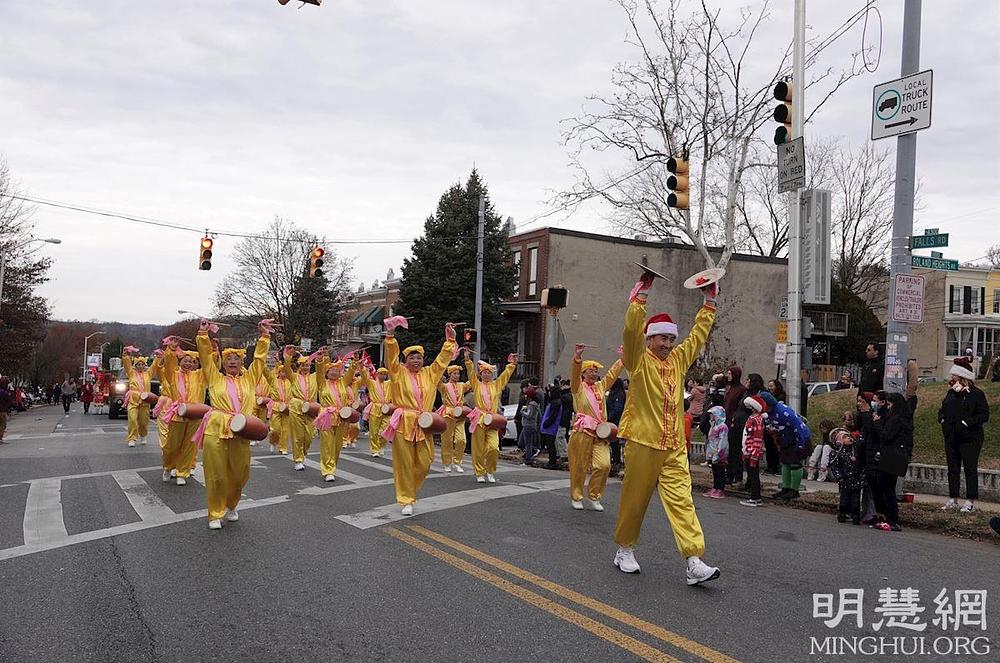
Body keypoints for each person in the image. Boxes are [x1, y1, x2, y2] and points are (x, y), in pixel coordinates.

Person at [612, 270, 721, 586]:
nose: (668, 343)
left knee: (682, 500)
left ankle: (693, 560)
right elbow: (630, 333)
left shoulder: (677, 360)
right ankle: (625, 549)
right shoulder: (638, 361)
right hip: (643, 441)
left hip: (673, 445)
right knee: (635, 500)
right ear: (650, 339)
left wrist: (709, 302)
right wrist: (640, 300)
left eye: (671, 338)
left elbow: (698, 336)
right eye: (663, 338)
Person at [194, 318, 272, 530]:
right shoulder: (215, 378)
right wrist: (203, 335)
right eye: (228, 359)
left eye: (236, 359)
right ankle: (215, 513)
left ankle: (232, 504)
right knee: (216, 474)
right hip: (216, 428)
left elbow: (260, 361)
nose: (232, 362)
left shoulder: (250, 380)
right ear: (223, 362)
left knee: (239, 473)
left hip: (242, 429)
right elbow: (205, 358)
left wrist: (264, 337)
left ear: (241, 363)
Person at [381, 317, 457, 515]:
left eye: (419, 358)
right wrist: (390, 336)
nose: (416, 361)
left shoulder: (430, 374)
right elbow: (391, 358)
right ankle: (406, 499)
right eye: (412, 358)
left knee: (425, 462)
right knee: (404, 463)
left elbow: (441, 362)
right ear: (406, 361)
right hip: (404, 421)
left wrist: (449, 341)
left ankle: (409, 492)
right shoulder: (397, 373)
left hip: (424, 423)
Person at [567, 344, 624, 511]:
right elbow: (574, 374)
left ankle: (594, 496)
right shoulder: (577, 387)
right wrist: (577, 358)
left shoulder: (600, 386)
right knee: (579, 466)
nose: (594, 373)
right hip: (582, 431)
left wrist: (621, 360)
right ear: (583, 373)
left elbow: (611, 376)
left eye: (595, 371)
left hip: (600, 432)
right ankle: (576, 496)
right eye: (590, 371)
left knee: (604, 465)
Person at [938, 356, 990, 513]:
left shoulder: (976, 394)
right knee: (952, 468)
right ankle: (953, 498)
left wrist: (967, 422)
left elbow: (984, 415)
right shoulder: (951, 393)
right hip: (951, 436)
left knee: (969, 468)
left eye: (954, 376)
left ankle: (970, 500)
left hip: (970, 438)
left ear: (962, 377)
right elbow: (943, 408)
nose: (951, 378)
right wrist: (941, 418)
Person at [862, 391, 914, 532]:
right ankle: (888, 518)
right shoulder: (903, 419)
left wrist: (878, 423)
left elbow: (886, 436)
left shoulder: (896, 419)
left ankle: (892, 518)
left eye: (890, 405)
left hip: (891, 457)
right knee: (886, 487)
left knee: (886, 488)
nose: (889, 407)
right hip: (895, 457)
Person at [465, 349, 518, 483]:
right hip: (479, 418)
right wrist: (468, 360)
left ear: (492, 374)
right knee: (478, 448)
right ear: (480, 374)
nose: (487, 375)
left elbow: (505, 376)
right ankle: (479, 472)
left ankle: (490, 470)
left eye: (489, 372)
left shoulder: (496, 385)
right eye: (484, 372)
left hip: (493, 419)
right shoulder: (476, 385)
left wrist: (511, 365)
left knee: (493, 447)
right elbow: (470, 373)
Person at [313, 350, 359, 482]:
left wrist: (354, 363)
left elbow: (350, 374)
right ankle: (328, 470)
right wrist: (320, 360)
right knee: (327, 444)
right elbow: (319, 371)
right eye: (331, 370)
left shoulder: (343, 383)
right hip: (326, 416)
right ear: (327, 373)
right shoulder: (322, 383)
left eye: (337, 370)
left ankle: (332, 465)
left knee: (337, 445)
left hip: (341, 417)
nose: (334, 372)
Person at [759, 391, 812, 500]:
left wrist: (800, 444)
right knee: (785, 463)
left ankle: (794, 490)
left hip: (798, 439)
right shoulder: (768, 414)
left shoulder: (783, 411)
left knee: (794, 464)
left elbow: (798, 426)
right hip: (785, 440)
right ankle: (786, 488)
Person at [284, 349, 319, 472]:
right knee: (297, 436)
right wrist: (288, 356)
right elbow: (287, 368)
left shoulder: (315, 378)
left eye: (308, 365)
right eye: (303, 365)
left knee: (309, 436)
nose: (306, 367)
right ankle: (298, 460)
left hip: (311, 408)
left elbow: (321, 370)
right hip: (296, 407)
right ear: (300, 365)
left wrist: (320, 358)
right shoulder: (294, 377)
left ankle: (303, 452)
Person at [828, 427, 865, 525]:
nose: (849, 438)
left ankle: (856, 516)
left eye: (849, 436)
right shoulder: (838, 453)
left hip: (856, 479)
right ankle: (842, 514)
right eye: (845, 437)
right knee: (844, 499)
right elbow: (835, 466)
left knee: (856, 500)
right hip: (844, 480)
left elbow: (861, 463)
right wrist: (839, 477)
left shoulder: (856, 451)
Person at [739, 395, 768, 507]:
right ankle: (754, 496)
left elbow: (757, 437)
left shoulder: (757, 419)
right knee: (751, 474)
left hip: (752, 450)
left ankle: (755, 497)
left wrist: (754, 452)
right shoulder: (753, 417)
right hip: (748, 449)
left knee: (754, 474)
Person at [122, 351, 153, 447]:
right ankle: (132, 438)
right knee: (132, 419)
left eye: (142, 364)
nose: (140, 366)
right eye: (138, 364)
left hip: (145, 401)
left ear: (145, 365)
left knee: (144, 421)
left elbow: (155, 366)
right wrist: (125, 356)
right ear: (135, 365)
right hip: (133, 400)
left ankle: (143, 435)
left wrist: (159, 358)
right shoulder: (131, 373)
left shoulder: (148, 374)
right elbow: (127, 365)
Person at [722, 366, 747, 485]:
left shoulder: (741, 390)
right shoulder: (730, 388)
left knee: (735, 450)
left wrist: (734, 419)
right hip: (726, 421)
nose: (728, 376)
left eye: (730, 374)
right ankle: (729, 473)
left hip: (735, 423)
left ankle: (737, 474)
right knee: (729, 450)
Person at [362, 366, 393, 458]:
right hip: (375, 408)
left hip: (386, 408)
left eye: (385, 374)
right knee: (374, 431)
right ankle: (375, 449)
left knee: (386, 428)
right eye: (381, 374)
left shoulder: (389, 384)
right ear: (377, 374)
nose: (383, 376)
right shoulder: (372, 383)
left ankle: (382, 445)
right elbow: (364, 377)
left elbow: (397, 378)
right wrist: (362, 368)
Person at [702, 405, 728, 499]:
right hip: (713, 451)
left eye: (712, 414)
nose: (710, 416)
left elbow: (722, 440)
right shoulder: (714, 425)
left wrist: (719, 453)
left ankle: (720, 489)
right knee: (715, 470)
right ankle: (715, 487)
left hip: (719, 452)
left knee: (720, 471)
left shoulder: (723, 427)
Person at [267, 362, 293, 455]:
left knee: (285, 429)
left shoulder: (291, 381)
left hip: (287, 406)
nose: (284, 373)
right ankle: (273, 441)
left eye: (286, 372)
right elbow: (266, 373)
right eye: (282, 371)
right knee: (275, 429)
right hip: (276, 406)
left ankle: (283, 447)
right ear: (279, 372)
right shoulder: (273, 380)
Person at [606, 378, 627, 477]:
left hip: (615, 421)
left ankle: (616, 462)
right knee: (613, 443)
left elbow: (617, 409)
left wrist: (609, 418)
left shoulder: (618, 394)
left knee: (615, 443)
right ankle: (615, 461)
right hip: (613, 420)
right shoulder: (616, 393)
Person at [540, 385, 562, 469]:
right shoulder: (554, 401)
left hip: (550, 427)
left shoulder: (556, 403)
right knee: (550, 445)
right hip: (549, 427)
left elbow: (553, 416)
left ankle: (552, 462)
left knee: (550, 445)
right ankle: (551, 461)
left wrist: (546, 423)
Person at [518, 387, 541, 466]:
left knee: (527, 443)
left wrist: (523, 412)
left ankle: (528, 459)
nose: (525, 396)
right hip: (529, 425)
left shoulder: (532, 404)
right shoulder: (534, 404)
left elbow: (529, 415)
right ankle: (532, 451)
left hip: (529, 425)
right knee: (522, 442)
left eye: (526, 395)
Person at [0, 377, 13, 443]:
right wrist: (10, 391)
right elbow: (9, 400)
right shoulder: (3, 392)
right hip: (2, 411)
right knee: (3, 424)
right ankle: (0, 438)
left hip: (2, 410)